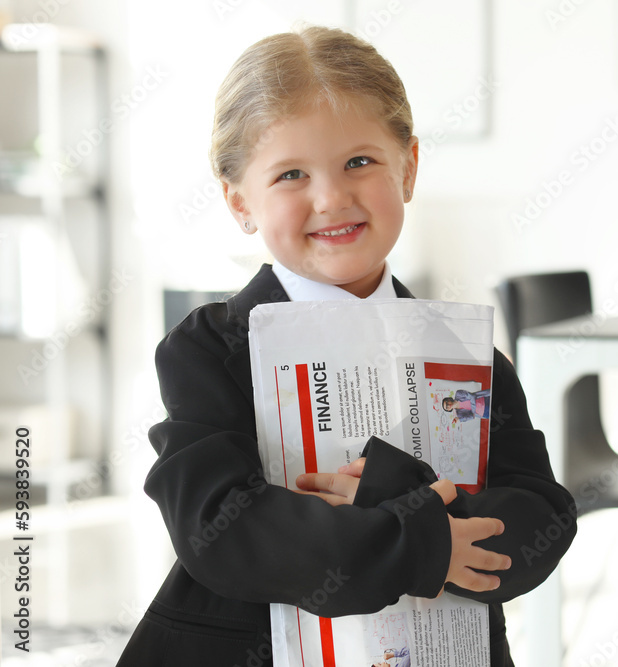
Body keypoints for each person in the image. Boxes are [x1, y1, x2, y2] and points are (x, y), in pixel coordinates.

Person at [116, 26, 576, 667]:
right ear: (238, 200)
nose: (331, 198)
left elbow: (539, 517)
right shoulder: (208, 350)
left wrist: (389, 494)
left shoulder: (467, 356)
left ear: (408, 167)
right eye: (291, 174)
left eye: (360, 161)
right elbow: (221, 528)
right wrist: (420, 543)